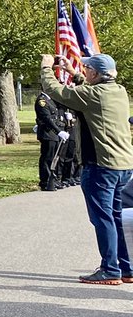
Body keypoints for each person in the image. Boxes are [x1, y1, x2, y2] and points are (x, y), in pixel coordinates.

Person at [39, 53, 133, 285]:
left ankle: (110, 270)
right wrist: (73, 73)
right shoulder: (119, 91)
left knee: (103, 218)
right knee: (117, 217)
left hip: (101, 165)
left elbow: (56, 91)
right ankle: (126, 268)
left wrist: (46, 68)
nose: (85, 70)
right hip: (123, 165)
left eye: (87, 67)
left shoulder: (93, 95)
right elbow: (89, 92)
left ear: (95, 73)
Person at [34, 88, 67, 191]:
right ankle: (45, 181)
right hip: (47, 133)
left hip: (53, 134)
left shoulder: (51, 100)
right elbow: (47, 118)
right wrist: (58, 131)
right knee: (47, 158)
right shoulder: (42, 101)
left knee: (54, 158)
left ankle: (53, 179)